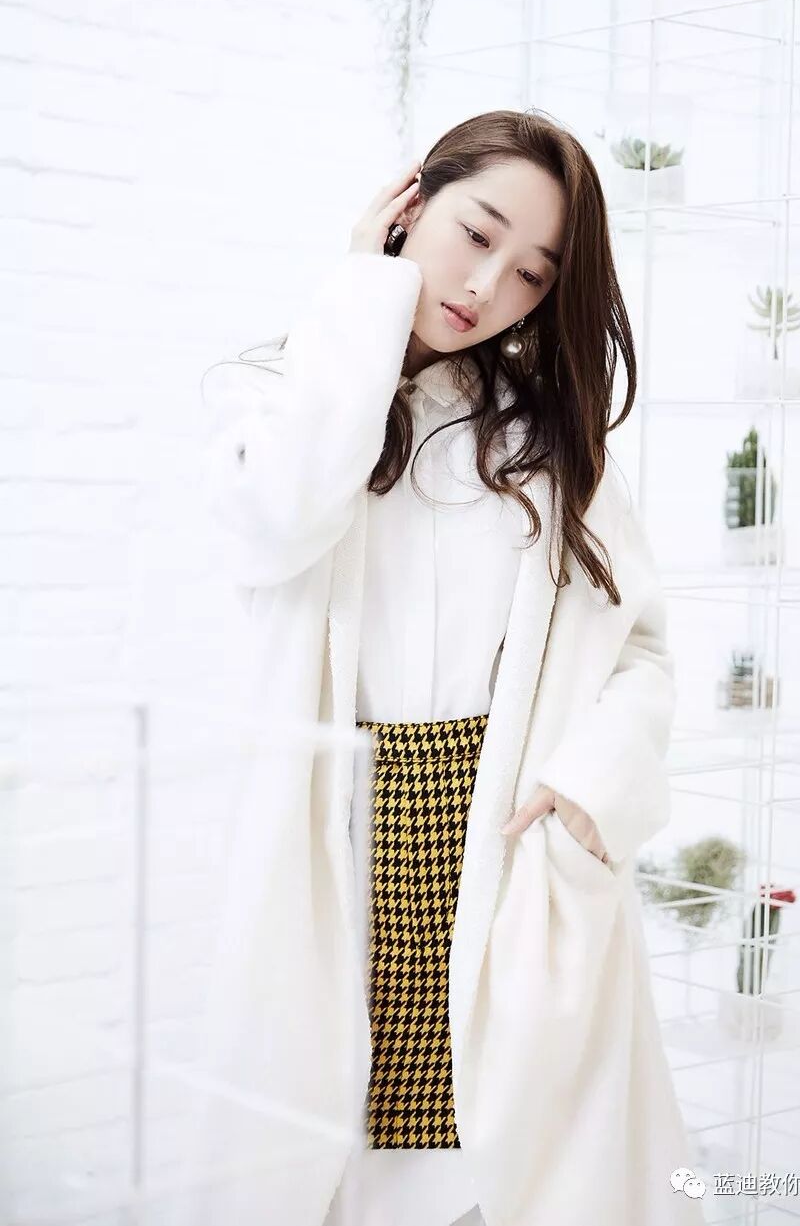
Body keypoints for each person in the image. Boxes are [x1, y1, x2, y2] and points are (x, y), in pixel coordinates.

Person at [179, 110, 704, 1226]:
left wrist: (588, 787)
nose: (485, 286)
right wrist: (362, 295)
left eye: (530, 274)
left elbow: (640, 647)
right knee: (323, 1163)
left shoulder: (542, 445)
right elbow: (279, 519)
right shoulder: (274, 395)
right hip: (337, 836)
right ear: (408, 205)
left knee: (494, 1173)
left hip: (501, 845)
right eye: (475, 232)